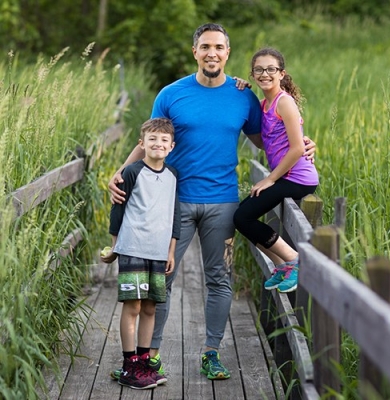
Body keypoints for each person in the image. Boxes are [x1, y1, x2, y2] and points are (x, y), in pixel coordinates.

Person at [108, 23, 316, 381]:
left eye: (219, 47)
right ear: (195, 52)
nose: (212, 53)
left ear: (227, 53)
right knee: (164, 279)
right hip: (172, 203)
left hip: (223, 203)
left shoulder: (242, 96)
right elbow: (148, 141)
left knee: (219, 279)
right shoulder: (172, 94)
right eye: (205, 46)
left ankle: (211, 353)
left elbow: (270, 138)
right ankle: (150, 355)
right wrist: (121, 171)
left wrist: (304, 146)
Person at [101, 117, 181, 390]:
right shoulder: (132, 172)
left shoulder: (173, 176)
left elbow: (175, 215)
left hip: (159, 251)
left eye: (163, 140)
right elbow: (117, 210)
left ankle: (145, 361)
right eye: (152, 139)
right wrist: (114, 247)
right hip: (133, 247)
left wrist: (171, 251)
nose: (158, 144)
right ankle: (129, 364)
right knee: (133, 305)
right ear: (142, 143)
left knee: (150, 306)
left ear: (171, 146)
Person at [233, 47, 319, 293]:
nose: (264, 74)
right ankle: (283, 265)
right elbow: (261, 142)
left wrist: (270, 179)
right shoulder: (263, 104)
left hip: (298, 178)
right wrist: (239, 95)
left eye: (271, 69)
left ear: (282, 73)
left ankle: (294, 261)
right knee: (242, 216)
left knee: (242, 216)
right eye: (258, 69)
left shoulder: (285, 102)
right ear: (252, 74)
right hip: (287, 176)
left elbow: (296, 149)